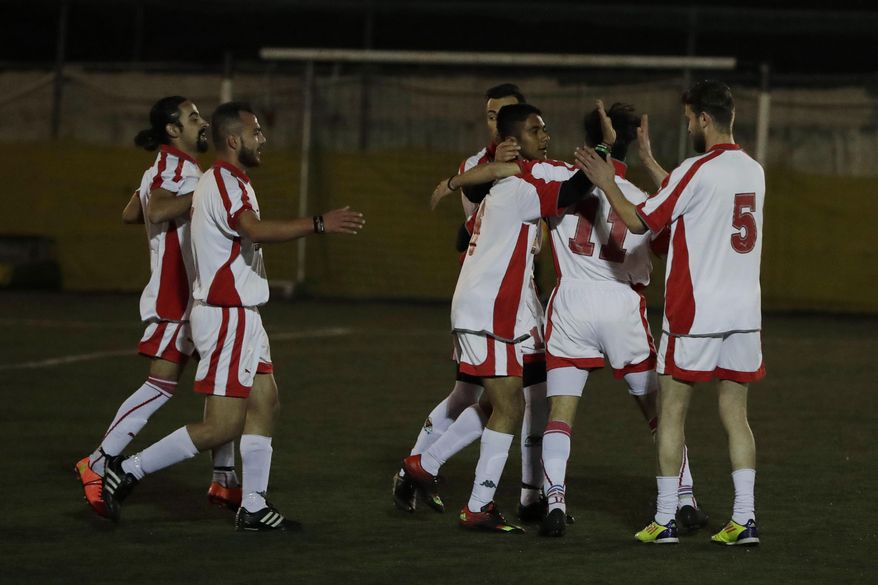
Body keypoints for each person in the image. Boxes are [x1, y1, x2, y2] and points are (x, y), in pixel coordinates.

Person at [100, 102, 365, 531]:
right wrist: (318, 223)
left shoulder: (227, 180)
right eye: (257, 132)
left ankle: (254, 505)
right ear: (234, 140)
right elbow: (254, 231)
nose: (264, 138)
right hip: (227, 317)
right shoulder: (223, 181)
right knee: (221, 426)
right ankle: (127, 470)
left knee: (266, 402)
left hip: (244, 316)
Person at [576, 80, 765, 546]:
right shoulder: (753, 170)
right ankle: (745, 520)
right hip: (743, 314)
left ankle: (664, 519)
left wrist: (605, 182)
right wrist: (651, 163)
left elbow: (643, 218)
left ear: (703, 119)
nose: (688, 127)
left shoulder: (693, 170)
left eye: (687, 120)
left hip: (695, 314)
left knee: (672, 413)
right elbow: (693, 196)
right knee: (736, 416)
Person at [407, 103, 596, 533]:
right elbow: (570, 192)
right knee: (510, 406)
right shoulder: (520, 186)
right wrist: (604, 153)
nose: (545, 135)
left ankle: (432, 468)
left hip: (489, 308)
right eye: (535, 130)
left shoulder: (507, 181)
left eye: (546, 128)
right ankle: (470, 499)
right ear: (513, 142)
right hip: (489, 309)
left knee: (496, 403)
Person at [536, 101, 705, 537]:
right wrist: (645, 158)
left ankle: (554, 500)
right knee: (657, 412)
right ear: (634, 140)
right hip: (622, 306)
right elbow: (669, 239)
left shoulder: (559, 178)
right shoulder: (642, 199)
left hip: (572, 301)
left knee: (560, 412)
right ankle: (684, 498)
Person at [75, 96, 240, 518]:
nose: (203, 124)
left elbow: (133, 212)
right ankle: (97, 461)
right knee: (160, 385)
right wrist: (203, 195)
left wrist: (159, 194)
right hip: (176, 298)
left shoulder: (168, 167)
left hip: (198, 296)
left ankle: (225, 481)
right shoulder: (176, 167)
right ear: (172, 129)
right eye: (193, 118)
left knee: (224, 387)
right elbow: (157, 208)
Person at [396, 84, 552, 523]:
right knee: (486, 396)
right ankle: (422, 468)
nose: (497, 125)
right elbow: (480, 231)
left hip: (518, 297)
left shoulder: (511, 171)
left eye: (504, 116)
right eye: (490, 117)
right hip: (493, 299)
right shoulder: (497, 173)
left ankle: (526, 495)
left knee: (522, 396)